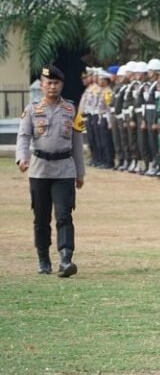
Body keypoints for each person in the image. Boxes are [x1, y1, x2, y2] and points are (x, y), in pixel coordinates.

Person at [15, 65, 86, 277]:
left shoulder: (71, 110)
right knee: (41, 217)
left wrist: (80, 172)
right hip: (39, 170)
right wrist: (22, 158)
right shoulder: (31, 110)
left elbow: (77, 143)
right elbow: (23, 136)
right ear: (42, 85)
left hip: (64, 170)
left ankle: (66, 258)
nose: (52, 87)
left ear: (61, 85)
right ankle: (43, 257)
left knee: (64, 215)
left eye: (56, 83)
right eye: (48, 83)